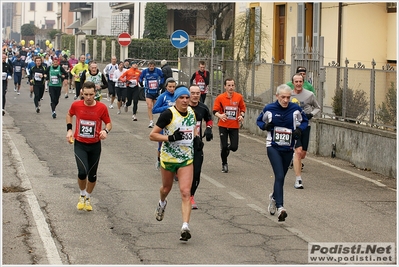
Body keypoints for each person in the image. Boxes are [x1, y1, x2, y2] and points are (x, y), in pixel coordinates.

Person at [149, 86, 200, 241]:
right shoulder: (168, 114)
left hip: (186, 159)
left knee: (186, 192)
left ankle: (185, 226)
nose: (185, 100)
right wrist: (170, 138)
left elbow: (192, 130)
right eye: (181, 98)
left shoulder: (192, 112)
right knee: (166, 188)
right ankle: (162, 202)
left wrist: (196, 138)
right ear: (176, 99)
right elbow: (152, 135)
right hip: (169, 158)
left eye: (187, 97)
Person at [256, 84, 308, 222]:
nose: (286, 100)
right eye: (283, 97)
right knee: (279, 174)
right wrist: (265, 126)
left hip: (288, 147)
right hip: (273, 146)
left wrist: (299, 130)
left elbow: (305, 121)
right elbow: (259, 120)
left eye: (288, 97)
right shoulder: (269, 109)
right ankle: (281, 207)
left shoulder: (295, 109)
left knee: (281, 177)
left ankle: (273, 197)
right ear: (277, 96)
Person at [66, 81, 112, 212]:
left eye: (91, 94)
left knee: (92, 175)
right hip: (80, 144)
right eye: (86, 94)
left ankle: (88, 197)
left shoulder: (101, 107)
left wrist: (105, 131)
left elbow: (109, 123)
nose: (88, 97)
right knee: (82, 172)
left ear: (95, 94)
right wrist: (69, 130)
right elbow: (69, 114)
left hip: (95, 145)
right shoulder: (76, 105)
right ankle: (81, 194)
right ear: (82, 92)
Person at [290, 73, 321, 189]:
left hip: (305, 126)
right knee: (298, 152)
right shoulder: (288, 95)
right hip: (292, 127)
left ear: (303, 82)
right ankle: (298, 180)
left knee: (302, 154)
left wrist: (310, 115)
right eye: (296, 82)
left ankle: (294, 158)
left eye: (300, 81)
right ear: (293, 83)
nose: (298, 84)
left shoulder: (309, 95)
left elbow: (318, 107)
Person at [212, 78, 246, 173]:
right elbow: (215, 111)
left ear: (234, 86)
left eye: (232, 85)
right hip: (223, 125)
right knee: (223, 146)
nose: (231, 87)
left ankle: (227, 147)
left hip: (234, 126)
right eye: (229, 85)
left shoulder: (239, 97)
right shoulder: (220, 98)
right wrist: (220, 115)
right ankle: (224, 164)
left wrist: (241, 116)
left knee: (234, 147)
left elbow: (242, 109)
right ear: (225, 86)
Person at [188, 84, 213, 209]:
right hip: (182, 145)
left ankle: (191, 196)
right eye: (193, 93)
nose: (195, 95)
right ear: (189, 94)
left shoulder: (203, 107)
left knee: (196, 171)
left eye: (197, 93)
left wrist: (208, 129)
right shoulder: (183, 107)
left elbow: (209, 119)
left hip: (197, 143)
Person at [152, 78, 177, 171]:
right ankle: (159, 160)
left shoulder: (178, 96)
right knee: (162, 145)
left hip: (175, 124)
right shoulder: (163, 96)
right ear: (166, 86)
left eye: (174, 87)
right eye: (170, 87)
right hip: (164, 125)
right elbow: (154, 110)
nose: (172, 89)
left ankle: (175, 167)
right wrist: (167, 107)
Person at [139, 60, 164, 128]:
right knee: (149, 106)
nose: (151, 67)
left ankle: (160, 121)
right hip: (148, 91)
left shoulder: (158, 71)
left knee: (156, 107)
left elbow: (162, 77)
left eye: (153, 66)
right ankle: (151, 121)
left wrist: (161, 84)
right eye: (150, 66)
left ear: (154, 66)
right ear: (148, 66)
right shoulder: (145, 71)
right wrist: (140, 82)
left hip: (156, 91)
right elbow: (140, 77)